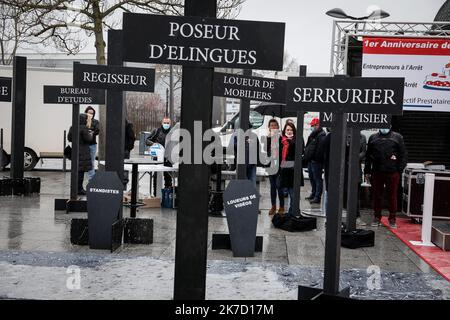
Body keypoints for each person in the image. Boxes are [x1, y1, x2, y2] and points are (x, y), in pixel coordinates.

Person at [364, 127, 407, 229]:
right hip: (377, 171)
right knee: (376, 196)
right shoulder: (373, 138)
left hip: (392, 172)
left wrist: (398, 170)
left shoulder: (397, 137)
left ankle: (392, 219)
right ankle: (377, 217)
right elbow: (368, 156)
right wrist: (367, 171)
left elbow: (403, 155)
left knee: (392, 196)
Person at [279, 122, 303, 218]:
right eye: (287, 130)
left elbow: (300, 151)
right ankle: (291, 212)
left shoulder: (298, 139)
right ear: (284, 130)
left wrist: (290, 142)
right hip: (285, 171)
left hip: (294, 171)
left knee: (293, 194)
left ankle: (293, 212)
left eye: (291, 130)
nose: (289, 131)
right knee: (288, 193)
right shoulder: (282, 140)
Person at [68, 113, 93, 196]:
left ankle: (74, 188)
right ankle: (79, 189)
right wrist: (91, 134)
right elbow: (88, 139)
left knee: (76, 170)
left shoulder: (72, 127)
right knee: (81, 171)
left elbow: (69, 138)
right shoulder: (84, 128)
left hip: (75, 150)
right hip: (83, 151)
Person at [304, 118, 326, 204]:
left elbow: (320, 150)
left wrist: (314, 158)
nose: (312, 127)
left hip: (316, 161)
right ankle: (313, 194)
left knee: (317, 179)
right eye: (311, 126)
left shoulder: (321, 135)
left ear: (318, 125)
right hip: (311, 160)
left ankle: (317, 197)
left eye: (313, 126)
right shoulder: (314, 134)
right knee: (312, 178)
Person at [146, 117, 173, 188]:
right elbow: (147, 141)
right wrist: (154, 144)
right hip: (157, 158)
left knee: (168, 178)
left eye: (168, 123)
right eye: (165, 123)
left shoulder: (172, 133)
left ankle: (167, 196)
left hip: (168, 159)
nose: (166, 124)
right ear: (162, 123)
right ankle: (156, 195)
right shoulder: (156, 131)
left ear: (170, 124)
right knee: (156, 177)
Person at [265, 119, 285, 216]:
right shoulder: (268, 138)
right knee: (272, 186)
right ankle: (273, 206)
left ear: (278, 127)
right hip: (271, 165)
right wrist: (269, 139)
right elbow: (265, 150)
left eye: (275, 125)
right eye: (271, 125)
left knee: (279, 186)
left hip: (279, 166)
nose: (273, 127)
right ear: (269, 128)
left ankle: (281, 206)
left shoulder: (282, 138)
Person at [84, 106, 100, 181]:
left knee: (91, 162)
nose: (91, 114)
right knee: (83, 162)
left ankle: (91, 179)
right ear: (86, 112)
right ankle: (85, 178)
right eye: (89, 113)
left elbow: (97, 130)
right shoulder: (82, 120)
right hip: (84, 144)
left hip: (92, 144)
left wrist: (91, 131)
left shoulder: (96, 121)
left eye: (92, 113)